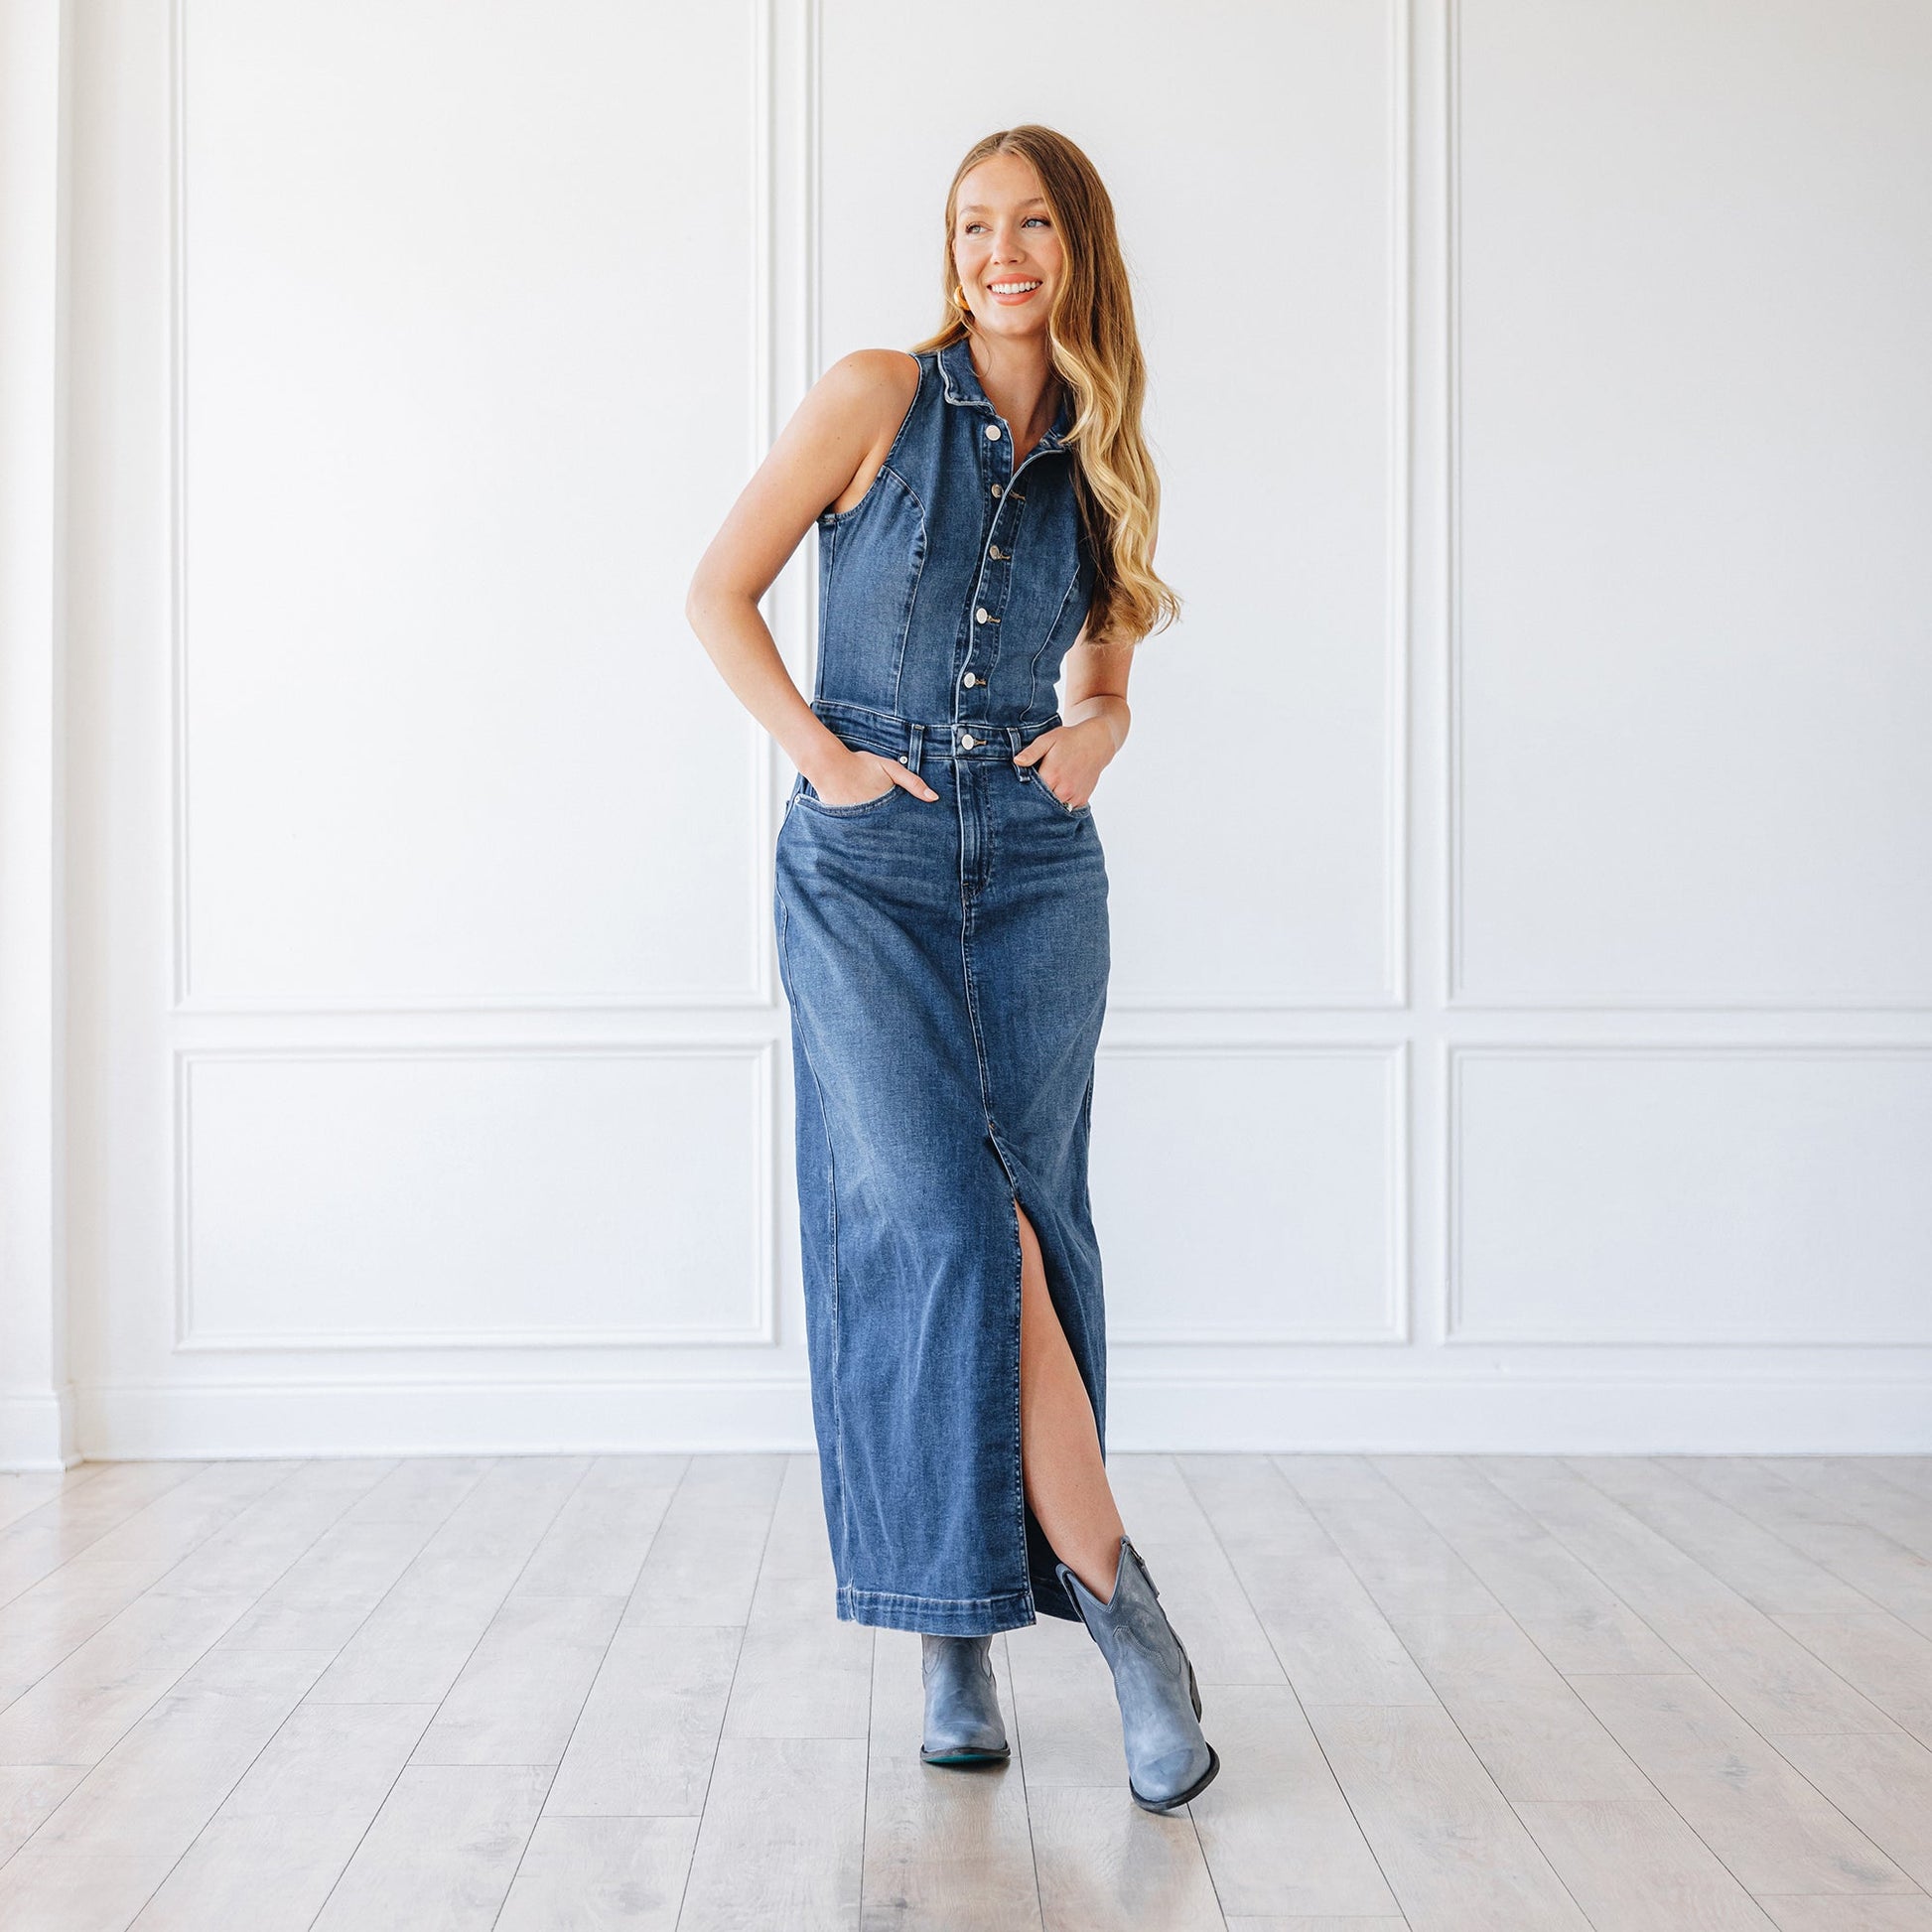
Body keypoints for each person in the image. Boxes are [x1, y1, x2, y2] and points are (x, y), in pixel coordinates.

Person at [685, 124, 1217, 1813]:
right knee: (935, 1225)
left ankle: (966, 1634)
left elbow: (1108, 666)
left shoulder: (1107, 440)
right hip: (869, 866)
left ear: (1078, 249)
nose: (1002, 251)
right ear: (953, 247)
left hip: (1037, 869)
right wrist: (827, 763)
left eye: (1032, 224)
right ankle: (1126, 1627)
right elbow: (717, 593)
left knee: (1029, 1234)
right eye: (976, 225)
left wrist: (1100, 731)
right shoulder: (869, 394)